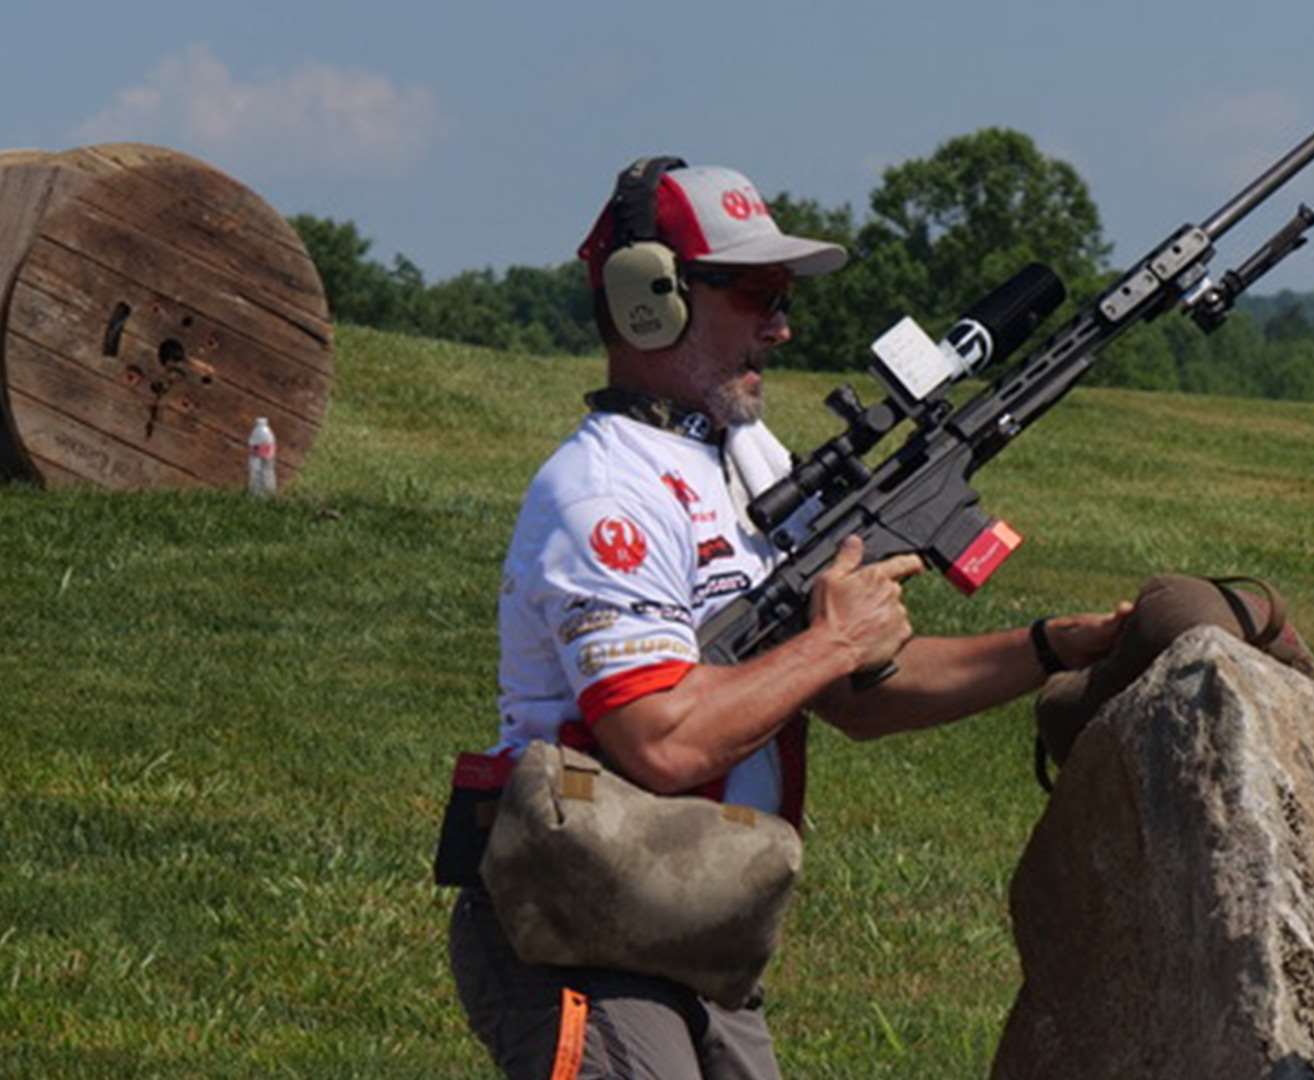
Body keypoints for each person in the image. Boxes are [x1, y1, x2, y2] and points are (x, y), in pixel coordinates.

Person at [447, 157, 1131, 1080]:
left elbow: (856, 697)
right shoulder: (604, 491)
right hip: (584, 927)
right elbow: (661, 741)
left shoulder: (748, 457)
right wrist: (833, 640)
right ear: (651, 299)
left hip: (693, 922)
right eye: (756, 292)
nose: (782, 323)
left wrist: (1049, 648)